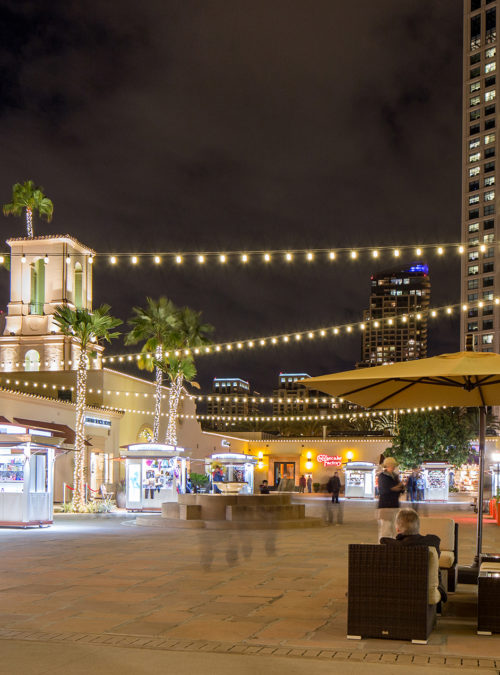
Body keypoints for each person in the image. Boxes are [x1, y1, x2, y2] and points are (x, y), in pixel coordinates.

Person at [380, 507, 446, 602]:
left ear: (397, 529)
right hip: (424, 588)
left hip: (399, 589)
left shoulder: (392, 545)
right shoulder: (432, 542)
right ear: (418, 527)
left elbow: (383, 540)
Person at [377, 457, 405, 541]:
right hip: (385, 506)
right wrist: (397, 487)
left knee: (395, 528)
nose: (394, 467)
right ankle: (383, 546)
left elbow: (401, 489)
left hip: (394, 505)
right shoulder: (383, 476)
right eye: (393, 465)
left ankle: (392, 545)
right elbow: (387, 489)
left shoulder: (395, 476)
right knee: (385, 528)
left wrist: (398, 487)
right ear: (388, 465)